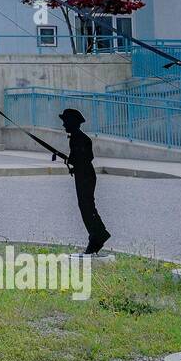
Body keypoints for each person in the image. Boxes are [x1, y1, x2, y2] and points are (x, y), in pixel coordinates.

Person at [59, 108, 111, 254]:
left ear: (72, 123)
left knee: (87, 206)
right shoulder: (76, 137)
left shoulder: (82, 138)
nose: (63, 125)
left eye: (65, 122)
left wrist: (74, 161)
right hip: (82, 174)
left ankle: (98, 235)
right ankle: (97, 235)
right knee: (85, 206)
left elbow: (87, 158)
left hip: (86, 176)